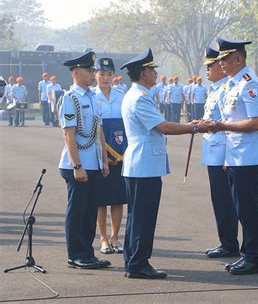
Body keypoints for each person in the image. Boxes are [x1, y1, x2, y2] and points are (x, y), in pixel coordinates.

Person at [119, 48, 213, 279]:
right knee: (144, 216)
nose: (154, 73)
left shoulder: (137, 95)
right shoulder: (140, 98)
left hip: (141, 163)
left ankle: (133, 260)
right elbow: (164, 127)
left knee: (137, 215)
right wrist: (196, 128)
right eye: (152, 69)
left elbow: (163, 123)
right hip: (144, 163)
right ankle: (139, 263)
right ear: (143, 73)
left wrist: (190, 125)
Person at [213, 37, 258, 275]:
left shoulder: (249, 84)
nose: (221, 64)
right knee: (242, 208)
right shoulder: (230, 85)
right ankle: (248, 254)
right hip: (237, 155)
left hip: (250, 156)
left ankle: (254, 257)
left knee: (249, 208)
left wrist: (222, 126)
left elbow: (256, 122)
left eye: (225, 59)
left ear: (238, 58)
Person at [58, 51, 111, 269]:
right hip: (77, 165)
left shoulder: (93, 97)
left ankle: (88, 253)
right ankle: (75, 255)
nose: (92, 74)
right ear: (76, 72)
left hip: (94, 164)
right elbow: (69, 134)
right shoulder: (71, 98)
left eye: (93, 71)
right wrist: (77, 166)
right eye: (89, 71)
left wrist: (105, 160)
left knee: (90, 212)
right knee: (78, 211)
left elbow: (99, 131)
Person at [201, 46, 239, 259]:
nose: (207, 69)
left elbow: (228, 124)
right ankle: (226, 241)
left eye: (211, 65)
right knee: (219, 199)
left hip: (222, 154)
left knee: (225, 201)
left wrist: (227, 156)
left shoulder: (225, 89)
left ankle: (229, 244)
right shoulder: (215, 89)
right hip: (212, 151)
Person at [93, 58, 128, 255]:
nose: (106, 78)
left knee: (117, 197)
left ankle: (115, 237)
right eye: (102, 73)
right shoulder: (92, 97)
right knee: (101, 199)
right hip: (98, 154)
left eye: (109, 74)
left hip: (120, 154)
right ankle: (103, 238)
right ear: (95, 74)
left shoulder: (121, 96)